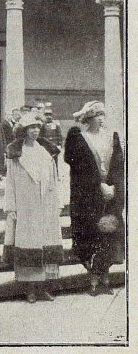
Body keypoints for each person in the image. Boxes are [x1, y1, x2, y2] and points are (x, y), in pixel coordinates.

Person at [64, 101, 124, 296]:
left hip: (110, 195)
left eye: (102, 115)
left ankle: (105, 276)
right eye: (97, 115)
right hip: (89, 196)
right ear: (89, 118)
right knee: (92, 235)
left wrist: (114, 186)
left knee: (109, 233)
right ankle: (93, 278)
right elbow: (79, 170)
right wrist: (99, 186)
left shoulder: (111, 138)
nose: (101, 118)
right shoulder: (79, 138)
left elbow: (118, 165)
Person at [3, 113, 63, 303]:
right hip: (26, 205)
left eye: (37, 127)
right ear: (24, 131)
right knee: (28, 244)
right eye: (31, 128)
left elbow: (54, 179)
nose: (35, 131)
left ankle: (42, 287)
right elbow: (11, 182)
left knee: (44, 243)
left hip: (45, 204)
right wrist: (11, 206)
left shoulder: (46, 153)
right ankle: (29, 289)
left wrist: (57, 203)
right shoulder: (17, 154)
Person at [39, 102, 63, 172]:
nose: (48, 117)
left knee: (55, 160)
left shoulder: (56, 124)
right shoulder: (42, 125)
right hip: (46, 145)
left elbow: (59, 135)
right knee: (46, 160)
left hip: (54, 144)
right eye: (46, 115)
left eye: (50, 115)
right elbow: (41, 136)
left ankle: (56, 173)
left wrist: (59, 145)